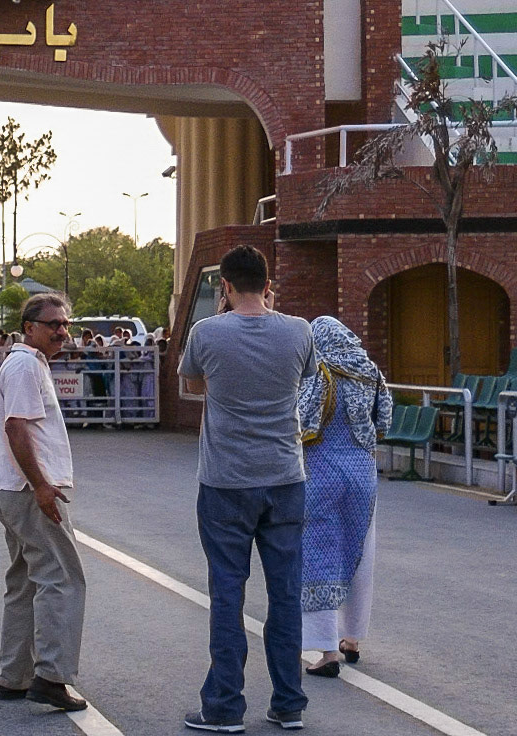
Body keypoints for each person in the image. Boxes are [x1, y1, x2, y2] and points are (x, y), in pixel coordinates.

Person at [178, 245, 315, 733]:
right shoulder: (299, 330)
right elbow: (301, 378)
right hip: (285, 477)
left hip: (226, 481)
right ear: (268, 284)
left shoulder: (207, 331)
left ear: (226, 286)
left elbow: (193, 385)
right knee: (285, 593)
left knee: (227, 593)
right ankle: (289, 703)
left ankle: (224, 707)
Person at [0, 292, 88, 714]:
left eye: (65, 324)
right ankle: (50, 676)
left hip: (14, 489)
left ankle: (15, 676)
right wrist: (42, 485)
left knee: (25, 582)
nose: (62, 331)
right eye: (53, 324)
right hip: (31, 492)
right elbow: (17, 429)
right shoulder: (26, 365)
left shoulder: (28, 363)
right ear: (29, 327)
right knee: (62, 578)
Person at [297, 316, 391, 677]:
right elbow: (384, 423)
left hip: (320, 472)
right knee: (360, 554)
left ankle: (326, 651)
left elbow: (302, 418)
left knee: (319, 555)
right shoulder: (371, 372)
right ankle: (351, 640)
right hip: (363, 474)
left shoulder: (320, 370)